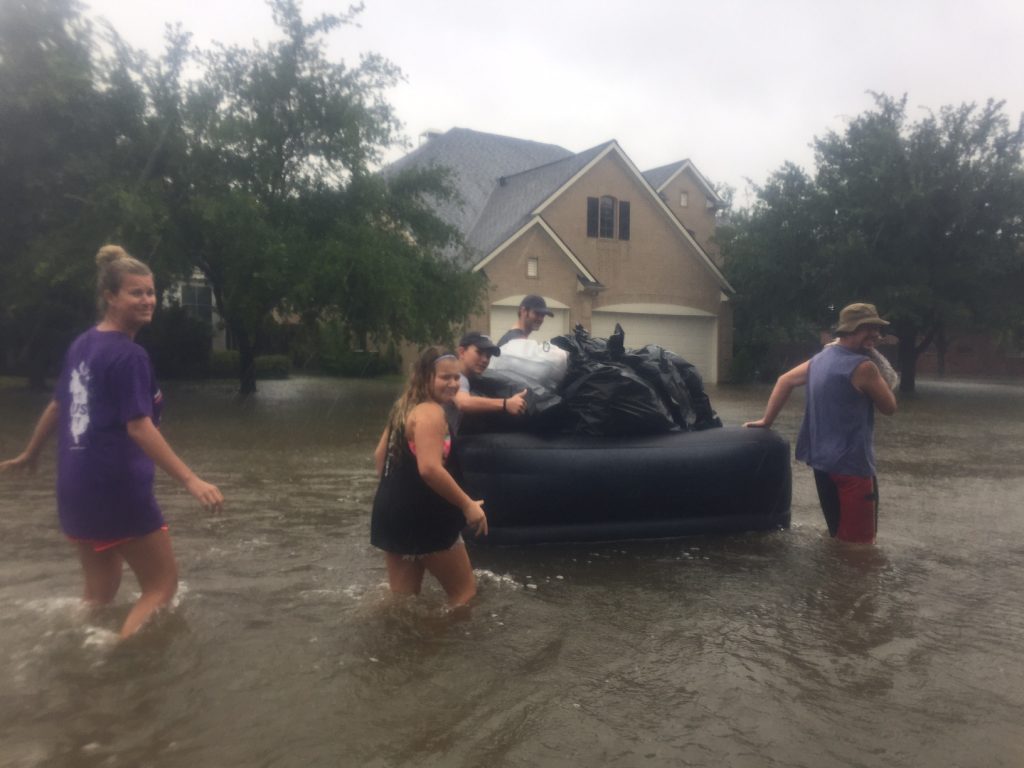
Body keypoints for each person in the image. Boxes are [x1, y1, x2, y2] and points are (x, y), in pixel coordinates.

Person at [0, 245, 223, 638]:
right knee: (161, 587)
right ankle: (119, 662)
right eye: (135, 292)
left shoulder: (82, 344)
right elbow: (139, 427)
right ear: (110, 296)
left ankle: (83, 660)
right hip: (116, 486)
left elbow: (57, 406)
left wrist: (30, 454)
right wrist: (191, 480)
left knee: (99, 593)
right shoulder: (129, 355)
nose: (147, 300)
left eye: (151, 292)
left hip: (75, 487)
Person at [744, 303, 898, 544]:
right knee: (861, 547)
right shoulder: (864, 367)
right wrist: (875, 360)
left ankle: (832, 582)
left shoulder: (820, 359)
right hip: (853, 468)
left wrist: (767, 421)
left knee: (837, 535)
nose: (876, 335)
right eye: (870, 329)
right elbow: (889, 407)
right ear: (851, 330)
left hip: (822, 466)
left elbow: (784, 381)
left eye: (877, 329)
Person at [371, 348, 488, 606]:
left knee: (403, 602)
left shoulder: (403, 408)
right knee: (465, 595)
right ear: (425, 377)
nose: (454, 384)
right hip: (428, 516)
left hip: (391, 513)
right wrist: (467, 505)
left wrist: (400, 497)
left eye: (457, 378)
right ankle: (448, 645)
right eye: (445, 377)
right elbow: (430, 469)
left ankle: (407, 645)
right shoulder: (432, 413)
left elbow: (380, 459)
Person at [455, 331, 528, 419]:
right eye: (479, 352)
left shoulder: (468, 378)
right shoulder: (454, 376)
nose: (485, 360)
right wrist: (506, 403)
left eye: (488, 356)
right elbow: (464, 403)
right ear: (462, 352)